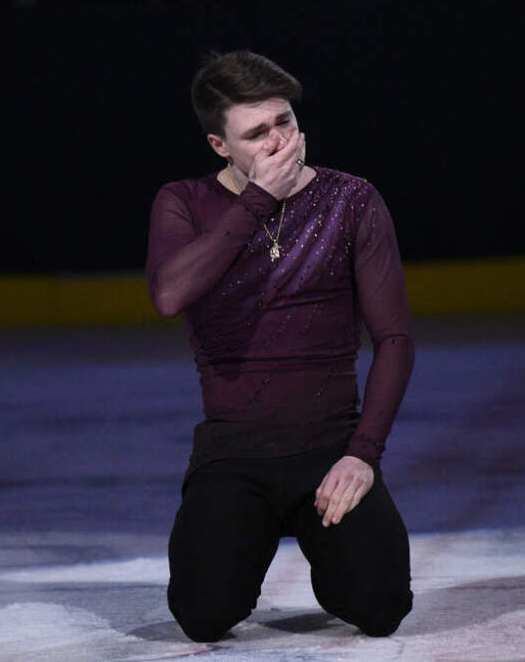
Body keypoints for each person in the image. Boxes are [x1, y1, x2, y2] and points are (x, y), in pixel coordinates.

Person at [145, 50, 414, 642]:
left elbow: (394, 339)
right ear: (220, 145)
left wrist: (362, 455)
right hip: (232, 456)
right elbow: (168, 295)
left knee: (380, 607)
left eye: (284, 122)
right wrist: (257, 202)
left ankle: (334, 559)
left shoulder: (351, 200)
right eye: (256, 133)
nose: (278, 142)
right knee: (203, 616)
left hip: (330, 450)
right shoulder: (184, 202)